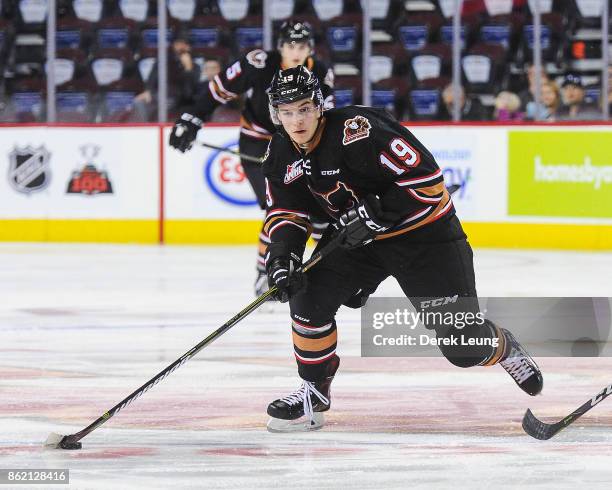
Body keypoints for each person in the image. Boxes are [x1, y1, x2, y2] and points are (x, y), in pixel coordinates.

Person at [261, 66, 543, 432]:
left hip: (425, 238)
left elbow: (429, 183)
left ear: (319, 106)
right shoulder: (281, 150)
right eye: (286, 111)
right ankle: (314, 390)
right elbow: (287, 211)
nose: (296, 119)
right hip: (360, 241)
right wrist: (283, 256)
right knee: (308, 294)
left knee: (463, 349)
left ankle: (503, 346)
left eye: (303, 108)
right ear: (276, 114)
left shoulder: (360, 129)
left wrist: (381, 211)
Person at [169, 20, 334, 296]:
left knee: (319, 207)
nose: (296, 52)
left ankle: (332, 268)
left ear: (310, 49)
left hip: (299, 145)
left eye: (302, 46)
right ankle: (265, 272)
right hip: (259, 145)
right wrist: (193, 117)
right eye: (290, 45)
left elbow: (326, 115)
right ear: (280, 47)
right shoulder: (258, 63)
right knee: (280, 205)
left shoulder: (320, 72)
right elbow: (219, 88)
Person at [133, 34, 202, 122]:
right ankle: (147, 128)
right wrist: (148, 91)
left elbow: (190, 90)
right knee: (139, 102)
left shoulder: (195, 67)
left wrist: (188, 68)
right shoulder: (164, 62)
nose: (181, 47)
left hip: (181, 99)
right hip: (160, 95)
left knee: (167, 102)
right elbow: (152, 77)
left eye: (184, 44)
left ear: (189, 47)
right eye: (178, 44)